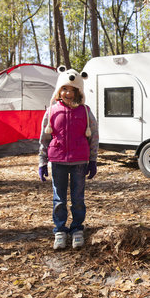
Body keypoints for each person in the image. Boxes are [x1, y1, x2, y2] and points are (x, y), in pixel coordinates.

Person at [38, 65, 99, 250]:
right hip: (57, 162)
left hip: (80, 161)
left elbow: (94, 136)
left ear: (78, 92)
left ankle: (77, 229)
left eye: (72, 90)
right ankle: (60, 230)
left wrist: (93, 160)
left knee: (78, 198)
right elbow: (44, 138)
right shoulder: (52, 111)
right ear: (59, 90)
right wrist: (42, 161)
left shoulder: (85, 112)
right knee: (59, 199)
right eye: (64, 89)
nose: (67, 93)